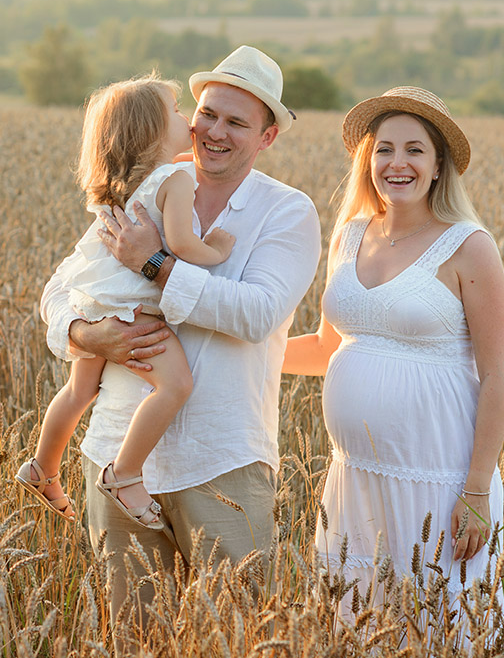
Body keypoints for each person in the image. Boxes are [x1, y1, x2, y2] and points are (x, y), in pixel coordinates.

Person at [40, 46, 321, 646]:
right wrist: (87, 335)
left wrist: (156, 264)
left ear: (267, 135)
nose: (214, 132)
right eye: (208, 113)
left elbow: (257, 314)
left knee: (240, 637)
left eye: (237, 122)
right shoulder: (147, 186)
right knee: (133, 639)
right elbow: (62, 288)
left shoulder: (286, 212)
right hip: (116, 451)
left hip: (222, 458)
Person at [282, 87, 504, 623]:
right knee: (360, 620)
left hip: (438, 476)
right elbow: (325, 348)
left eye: (414, 150)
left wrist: (477, 490)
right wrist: (239, 353)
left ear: (438, 167)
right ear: (368, 160)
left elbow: (499, 374)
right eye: (384, 149)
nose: (397, 163)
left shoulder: (467, 246)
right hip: (356, 477)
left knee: (439, 619)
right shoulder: (350, 234)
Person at [15, 75, 237, 530]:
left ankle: (42, 466)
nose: (188, 120)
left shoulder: (118, 187)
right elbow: (180, 242)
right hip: (133, 310)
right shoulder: (175, 178)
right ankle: (126, 473)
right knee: (174, 387)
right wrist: (215, 248)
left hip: (95, 303)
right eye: (177, 112)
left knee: (79, 391)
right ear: (153, 132)